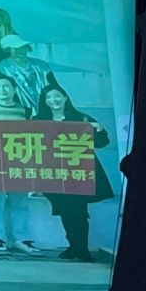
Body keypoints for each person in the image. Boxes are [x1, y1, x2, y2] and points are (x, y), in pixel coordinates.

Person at [39, 84, 112, 263]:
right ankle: (73, 247)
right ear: (44, 101)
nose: (53, 100)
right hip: (54, 173)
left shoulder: (81, 118)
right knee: (64, 210)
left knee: (79, 211)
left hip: (79, 172)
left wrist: (99, 129)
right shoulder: (39, 120)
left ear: (65, 97)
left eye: (57, 96)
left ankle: (82, 249)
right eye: (49, 97)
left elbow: (102, 142)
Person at [0, 73, 35, 255]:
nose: (2, 90)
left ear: (14, 89)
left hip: (19, 162)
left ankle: (21, 239)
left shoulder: (26, 111)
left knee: (20, 202)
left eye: (6, 86)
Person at [0, 35, 50, 113]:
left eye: (23, 47)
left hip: (44, 105)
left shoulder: (40, 65)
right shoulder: (3, 67)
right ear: (9, 49)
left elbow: (51, 85)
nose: (20, 50)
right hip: (19, 108)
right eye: (15, 48)